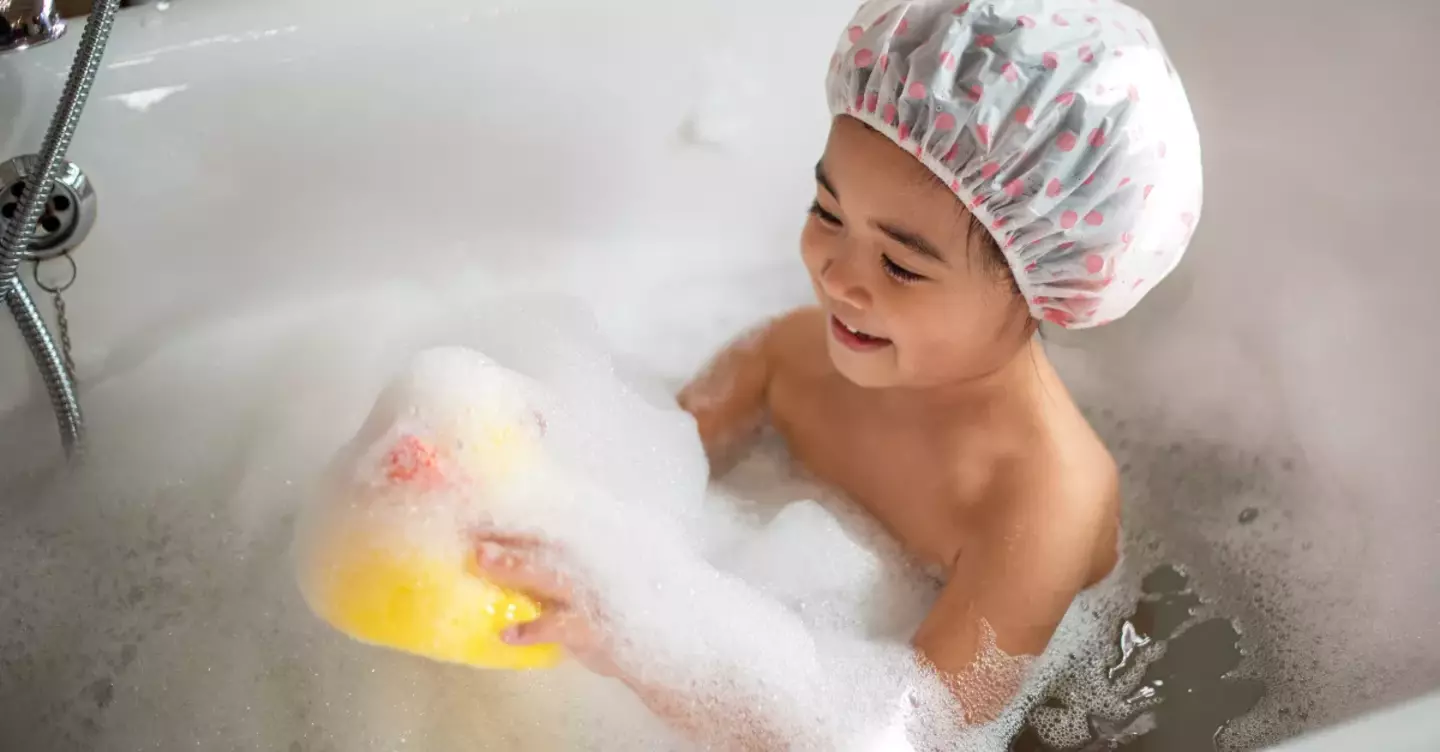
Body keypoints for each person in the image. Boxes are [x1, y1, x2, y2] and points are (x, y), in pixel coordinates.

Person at [472, 0, 1202, 746]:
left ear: (1034, 288)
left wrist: (645, 646)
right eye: (827, 211)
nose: (836, 274)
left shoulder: (1044, 502)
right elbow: (637, 462)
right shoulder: (789, 357)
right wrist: (500, 467)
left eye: (898, 264)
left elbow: (909, 732)